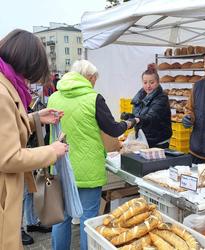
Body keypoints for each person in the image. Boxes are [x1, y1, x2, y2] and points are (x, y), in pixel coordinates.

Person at [48, 59, 137, 250]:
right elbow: (113, 129)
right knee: (89, 219)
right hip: (88, 168)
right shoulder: (94, 98)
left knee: (61, 217)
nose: (95, 83)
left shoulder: (54, 97)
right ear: (89, 77)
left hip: (60, 164)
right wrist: (131, 122)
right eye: (95, 79)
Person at [0, 29, 68, 250]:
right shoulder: (2, 92)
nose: (29, 82)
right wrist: (52, 151)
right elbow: (8, 157)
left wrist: (35, 118)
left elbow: (7, 128)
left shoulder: (6, 84)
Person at [129, 63, 172, 148]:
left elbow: (152, 116)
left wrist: (137, 119)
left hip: (159, 141)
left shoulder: (161, 98)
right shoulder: (141, 96)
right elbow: (138, 114)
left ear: (158, 82)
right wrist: (129, 116)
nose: (148, 86)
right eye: (145, 83)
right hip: (144, 139)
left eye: (152, 82)